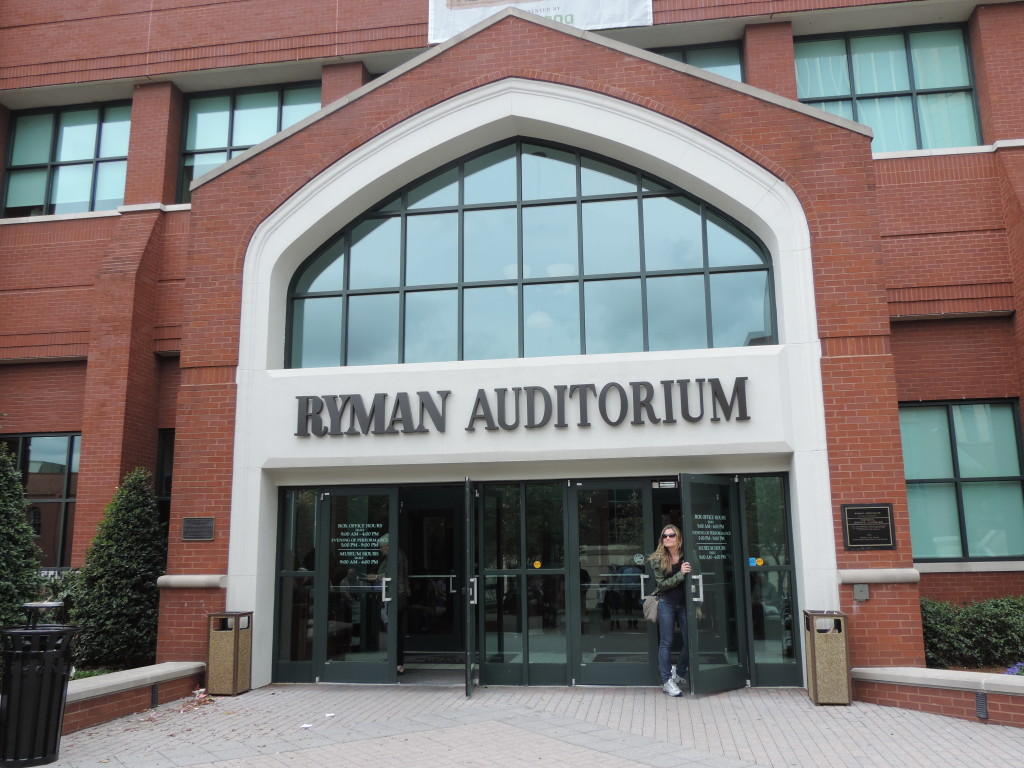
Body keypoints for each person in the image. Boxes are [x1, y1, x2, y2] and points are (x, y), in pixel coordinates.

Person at [648, 524, 692, 697]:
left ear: (678, 537)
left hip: (686, 603)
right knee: (666, 642)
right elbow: (662, 585)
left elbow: (696, 577)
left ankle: (679, 673)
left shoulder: (687, 555)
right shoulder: (658, 558)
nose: (667, 538)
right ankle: (667, 681)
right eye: (664, 536)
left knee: (690, 641)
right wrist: (680, 574)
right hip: (667, 602)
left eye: (671, 535)